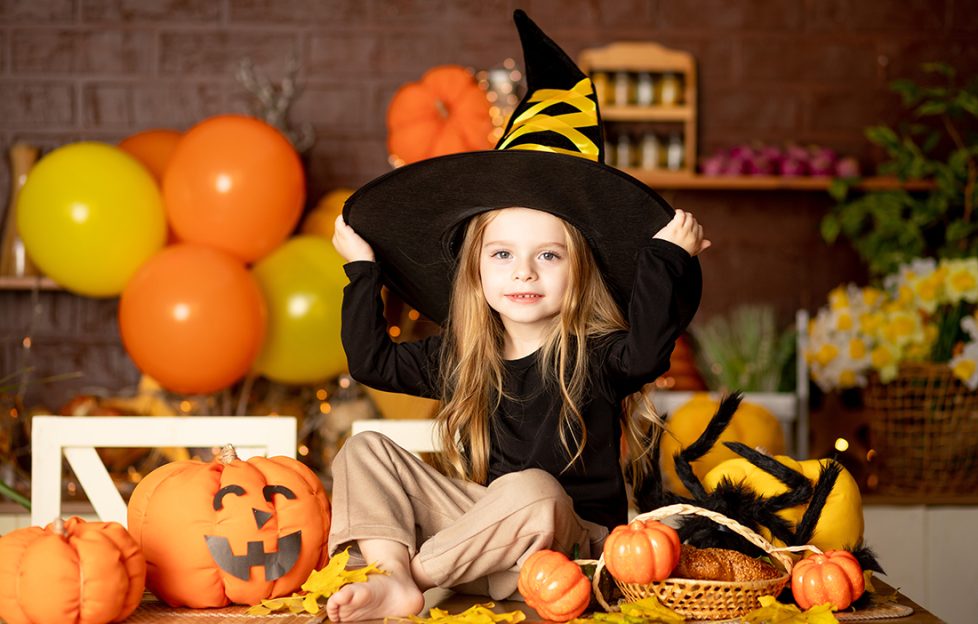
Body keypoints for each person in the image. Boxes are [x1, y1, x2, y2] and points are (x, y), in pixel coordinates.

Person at [324, 10, 709, 622]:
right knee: (365, 449)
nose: (523, 273)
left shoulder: (598, 352)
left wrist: (666, 258)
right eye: (502, 254)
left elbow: (649, 355)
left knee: (531, 488)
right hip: (489, 539)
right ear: (475, 269)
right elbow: (371, 361)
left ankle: (414, 575)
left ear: (579, 270)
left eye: (548, 255)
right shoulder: (464, 356)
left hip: (571, 546)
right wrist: (362, 270)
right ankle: (406, 576)